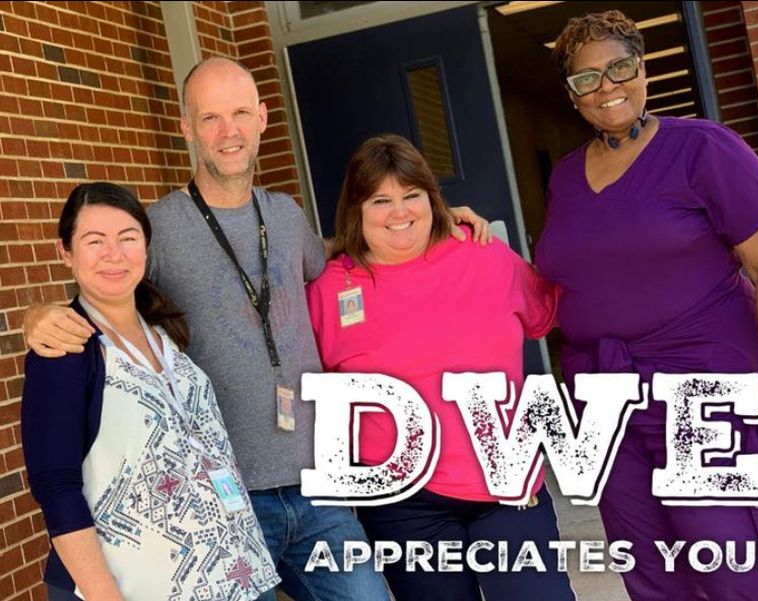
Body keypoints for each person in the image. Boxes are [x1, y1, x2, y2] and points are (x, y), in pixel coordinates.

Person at [23, 57, 490, 601]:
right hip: (226, 499)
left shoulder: (288, 217)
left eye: (240, 113)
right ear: (187, 127)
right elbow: (107, 282)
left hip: (319, 486)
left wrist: (429, 216)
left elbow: (346, 255)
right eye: (211, 118)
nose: (229, 132)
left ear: (263, 118)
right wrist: (41, 314)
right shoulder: (158, 229)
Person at [535, 10, 758, 600]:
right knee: (652, 570)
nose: (607, 88)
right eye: (587, 79)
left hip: (702, 388)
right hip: (605, 401)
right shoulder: (568, 178)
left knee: (738, 565)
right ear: (571, 93)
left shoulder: (703, 148)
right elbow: (560, 280)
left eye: (620, 67)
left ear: (642, 67)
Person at [305, 134, 576, 601]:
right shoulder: (329, 287)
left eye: (412, 196)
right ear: (356, 208)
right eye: (380, 200)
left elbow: (553, 311)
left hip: (506, 485)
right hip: (404, 504)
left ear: (433, 199)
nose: (400, 212)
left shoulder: (483, 252)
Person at [22, 182, 280, 601]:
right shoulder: (64, 350)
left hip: (235, 573)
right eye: (94, 241)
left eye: (128, 238)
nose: (114, 253)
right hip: (135, 587)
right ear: (65, 252)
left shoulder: (164, 330)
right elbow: (56, 488)